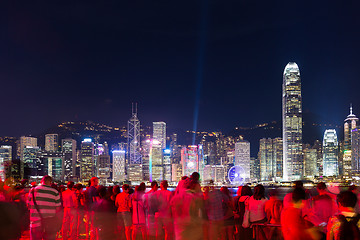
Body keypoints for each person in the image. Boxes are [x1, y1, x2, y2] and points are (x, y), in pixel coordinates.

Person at [27, 175, 62, 240]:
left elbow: (28, 205)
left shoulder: (33, 190)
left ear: (41, 181)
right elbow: (57, 208)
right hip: (49, 223)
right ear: (50, 182)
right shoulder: (55, 192)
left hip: (35, 222)